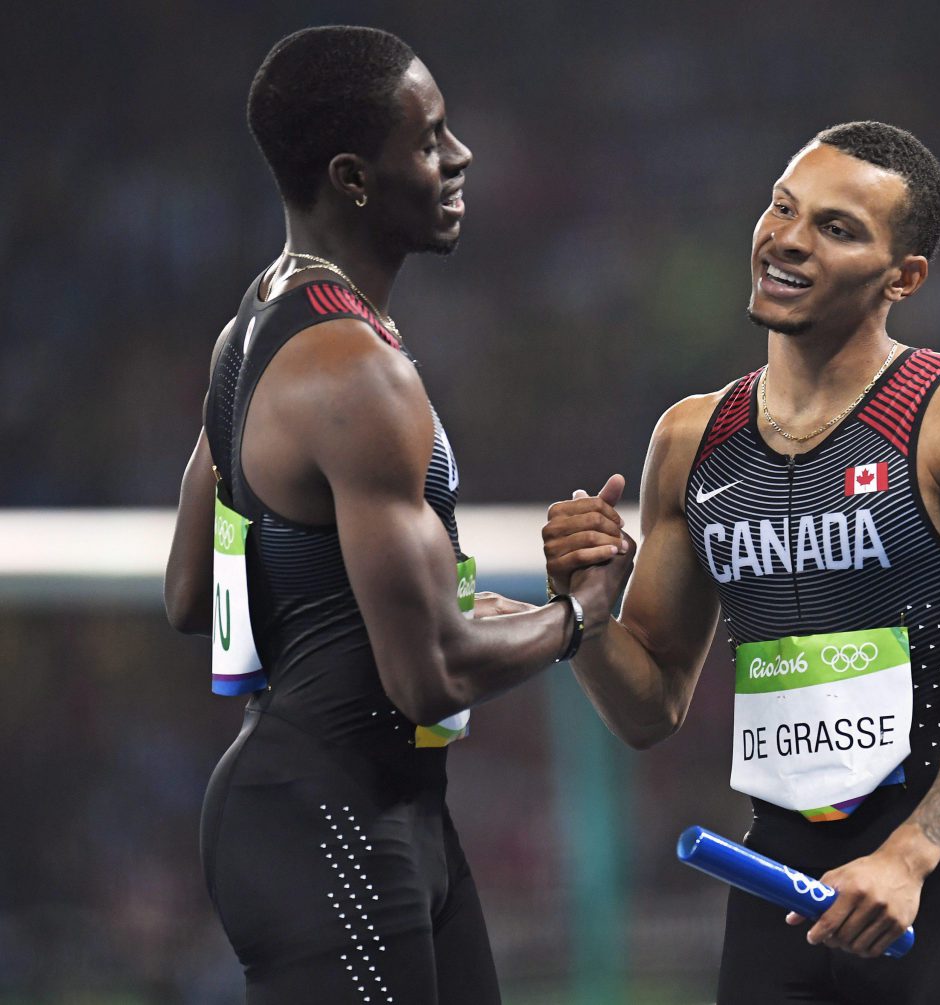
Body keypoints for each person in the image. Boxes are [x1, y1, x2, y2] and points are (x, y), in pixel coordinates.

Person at [163, 26, 629, 1004]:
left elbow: (191, 594)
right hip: (331, 824)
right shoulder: (354, 372)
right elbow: (427, 679)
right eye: (428, 139)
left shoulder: (249, 330)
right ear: (353, 178)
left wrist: (429, 612)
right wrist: (579, 613)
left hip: (372, 809)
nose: (459, 157)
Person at [543, 121, 940, 1003]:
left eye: (837, 228)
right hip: (776, 888)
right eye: (783, 208)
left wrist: (907, 856)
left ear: (903, 277)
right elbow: (649, 708)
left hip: (939, 888)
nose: (788, 239)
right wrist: (584, 615)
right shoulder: (692, 438)